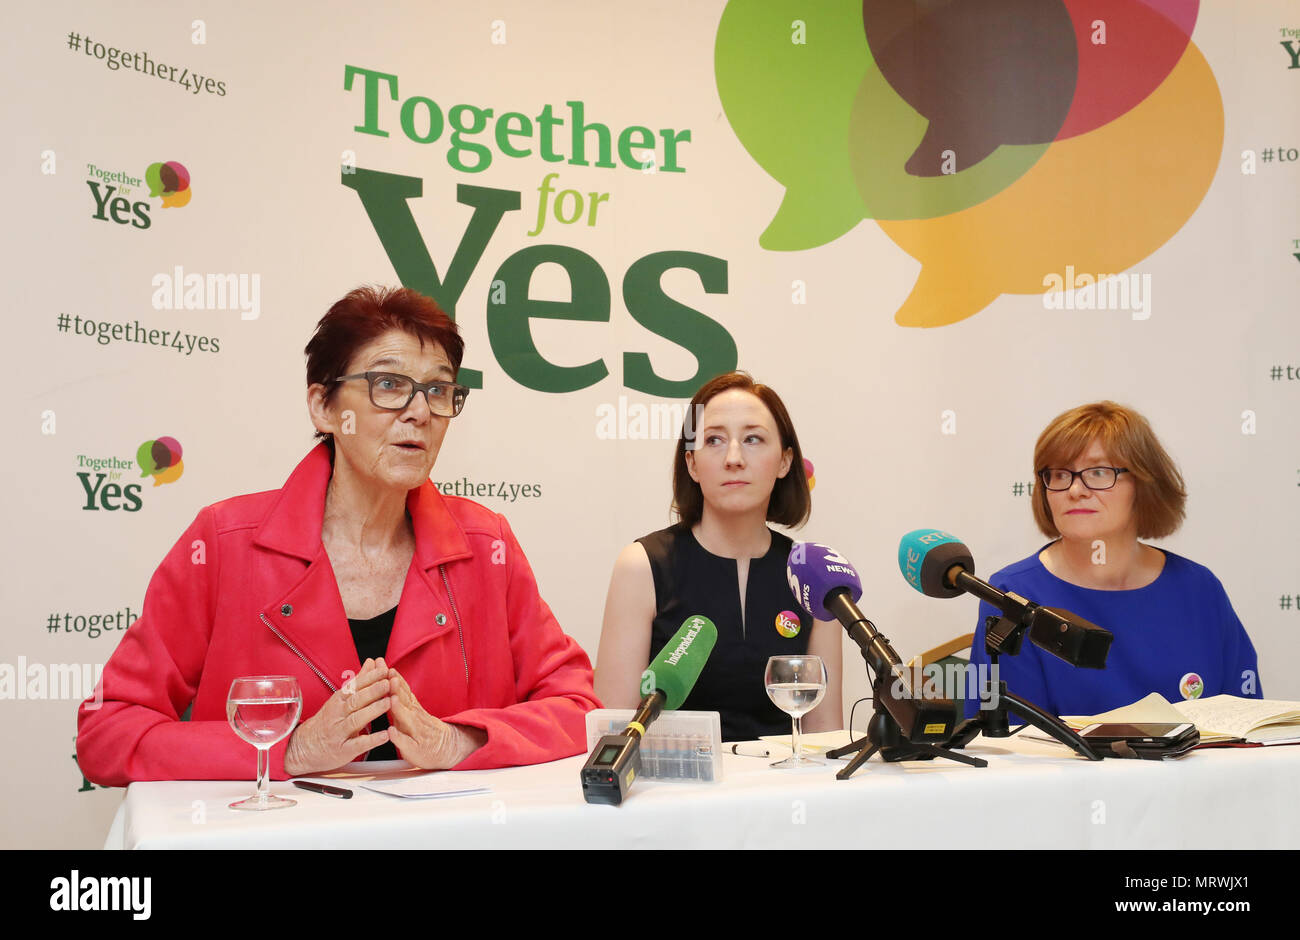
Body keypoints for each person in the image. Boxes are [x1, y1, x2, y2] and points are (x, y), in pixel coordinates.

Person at [76, 286, 599, 785]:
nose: (419, 411)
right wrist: (290, 750)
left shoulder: (487, 546)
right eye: (388, 384)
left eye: (438, 390)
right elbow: (107, 733)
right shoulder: (224, 541)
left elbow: (579, 709)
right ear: (324, 407)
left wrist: (460, 741)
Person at [965, 401, 1261, 720]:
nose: (1076, 489)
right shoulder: (1013, 594)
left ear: (1144, 483)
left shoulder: (1199, 588)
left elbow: (1246, 723)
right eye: (1060, 474)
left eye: (1098, 472)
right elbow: (1014, 747)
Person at [595, 372, 841, 742]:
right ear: (692, 463)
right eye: (714, 440)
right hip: (672, 793)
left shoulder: (814, 575)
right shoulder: (642, 566)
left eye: (753, 439)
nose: (734, 458)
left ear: (785, 462)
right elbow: (612, 735)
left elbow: (825, 737)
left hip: (784, 793)